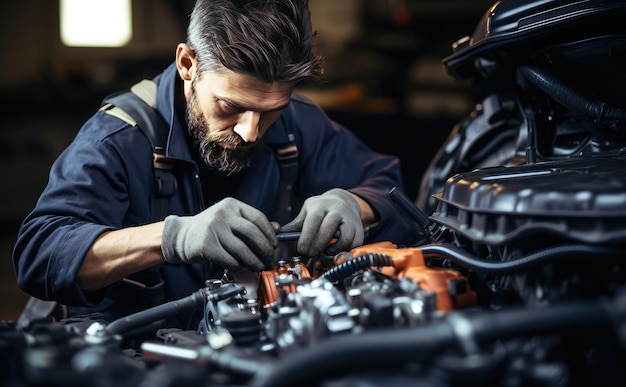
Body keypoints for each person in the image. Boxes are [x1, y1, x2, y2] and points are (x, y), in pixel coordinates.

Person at [13, 0, 419, 328]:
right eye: (231, 106)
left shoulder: (297, 121)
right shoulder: (119, 139)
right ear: (188, 64)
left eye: (271, 110)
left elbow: (388, 186)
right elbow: (40, 254)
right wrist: (172, 238)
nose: (251, 132)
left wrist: (352, 203)